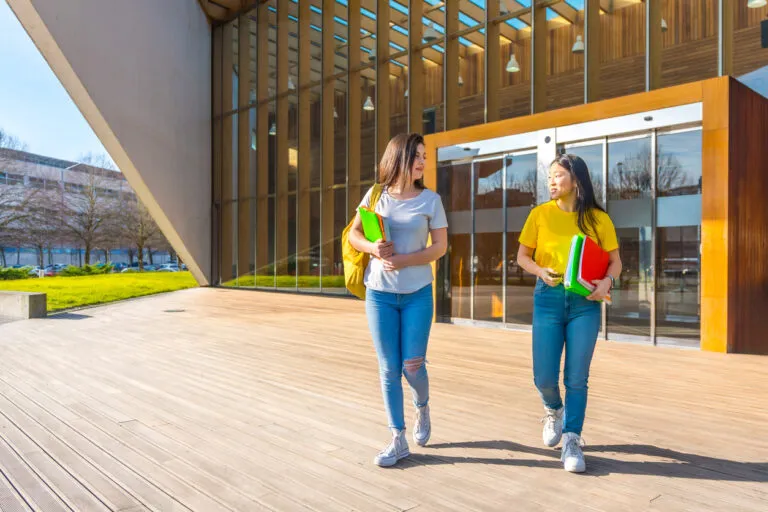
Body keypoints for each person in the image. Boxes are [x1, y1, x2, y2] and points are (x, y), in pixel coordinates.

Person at [516, 154, 622, 473]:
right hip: (548, 298)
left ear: (576, 180)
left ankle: (573, 438)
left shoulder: (599, 220)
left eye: (558, 175)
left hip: (585, 303)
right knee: (544, 376)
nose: (551, 181)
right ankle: (554, 410)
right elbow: (522, 256)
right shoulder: (539, 215)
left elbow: (615, 261)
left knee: (577, 376)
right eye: (549, 176)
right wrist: (539, 270)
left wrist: (607, 282)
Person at [348, 133, 448, 467]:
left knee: (412, 365)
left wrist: (406, 260)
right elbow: (354, 234)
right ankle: (397, 438)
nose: (422, 162)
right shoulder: (375, 194)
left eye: (424, 156)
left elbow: (440, 248)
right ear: (399, 157)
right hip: (379, 294)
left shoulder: (431, 200)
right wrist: (373, 248)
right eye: (417, 155)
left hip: (418, 293)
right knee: (389, 368)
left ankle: (422, 406)